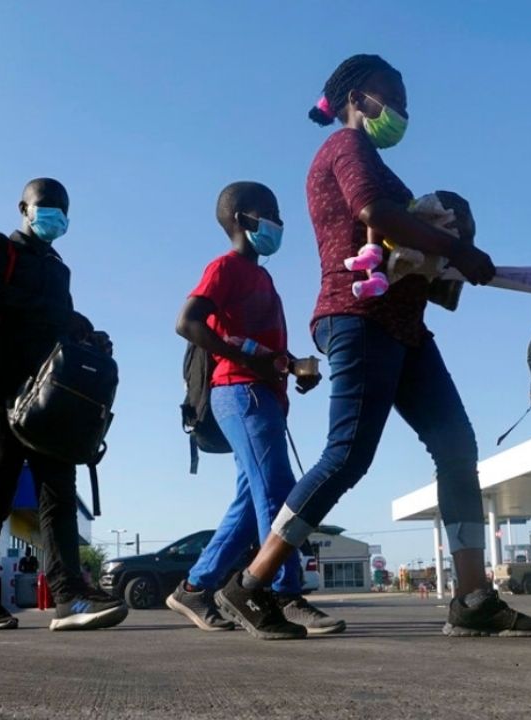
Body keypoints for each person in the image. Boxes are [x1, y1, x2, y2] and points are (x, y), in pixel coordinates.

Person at [214, 54, 531, 640]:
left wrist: (450, 251)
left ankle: (474, 598)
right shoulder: (346, 147)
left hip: (403, 325)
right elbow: (374, 212)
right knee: (347, 455)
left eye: (404, 101)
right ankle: (247, 586)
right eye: (390, 97)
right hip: (359, 317)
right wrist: (459, 252)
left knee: (456, 446)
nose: (400, 110)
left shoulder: (371, 159)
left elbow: (399, 241)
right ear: (356, 98)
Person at [169, 181, 342, 638]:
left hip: (262, 394)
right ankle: (282, 595)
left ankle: (194, 587)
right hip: (240, 392)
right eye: (271, 214)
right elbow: (186, 321)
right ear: (242, 218)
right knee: (279, 492)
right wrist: (248, 361)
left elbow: (259, 346)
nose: (279, 224)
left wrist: (291, 366)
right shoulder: (226, 267)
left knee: (250, 502)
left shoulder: (262, 277)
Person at [0, 178, 127, 632]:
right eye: (46, 206)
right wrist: (62, 316)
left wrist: (86, 334)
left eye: (62, 209)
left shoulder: (59, 269)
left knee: (58, 496)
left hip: (49, 400)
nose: (54, 214)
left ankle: (69, 597)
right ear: (24, 208)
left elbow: (58, 326)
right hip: (1, 392)